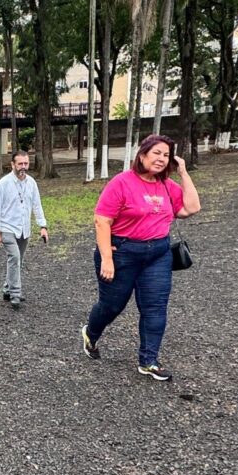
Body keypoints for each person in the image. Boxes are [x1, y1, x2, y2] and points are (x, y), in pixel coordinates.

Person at [81, 134, 201, 382]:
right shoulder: (122, 183)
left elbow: (191, 208)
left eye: (166, 155)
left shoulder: (167, 185)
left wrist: (184, 174)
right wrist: (106, 258)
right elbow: (102, 220)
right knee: (112, 306)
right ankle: (91, 334)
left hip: (158, 254)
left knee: (155, 308)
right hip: (122, 253)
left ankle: (149, 361)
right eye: (156, 153)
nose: (161, 159)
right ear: (142, 155)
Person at [0, 150, 49, 310]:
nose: (23, 166)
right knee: (14, 257)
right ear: (13, 165)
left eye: (26, 163)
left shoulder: (31, 183)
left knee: (18, 260)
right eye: (20, 163)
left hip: (24, 228)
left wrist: (42, 226)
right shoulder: (3, 184)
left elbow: (37, 205)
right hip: (7, 227)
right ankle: (16, 293)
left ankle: (7, 289)